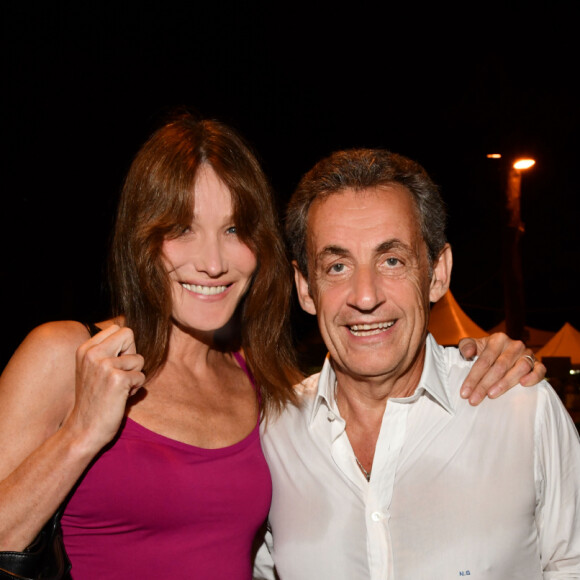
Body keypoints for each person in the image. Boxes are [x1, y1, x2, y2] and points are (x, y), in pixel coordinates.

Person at [0, 112, 545, 579]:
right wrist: (80, 435)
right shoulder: (68, 354)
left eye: (234, 230)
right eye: (182, 229)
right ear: (142, 237)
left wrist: (475, 356)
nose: (212, 262)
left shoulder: (263, 386)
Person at [254, 148, 580, 578]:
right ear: (305, 288)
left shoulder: (521, 410)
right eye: (336, 266)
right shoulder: (272, 433)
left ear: (437, 273)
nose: (365, 296)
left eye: (392, 260)